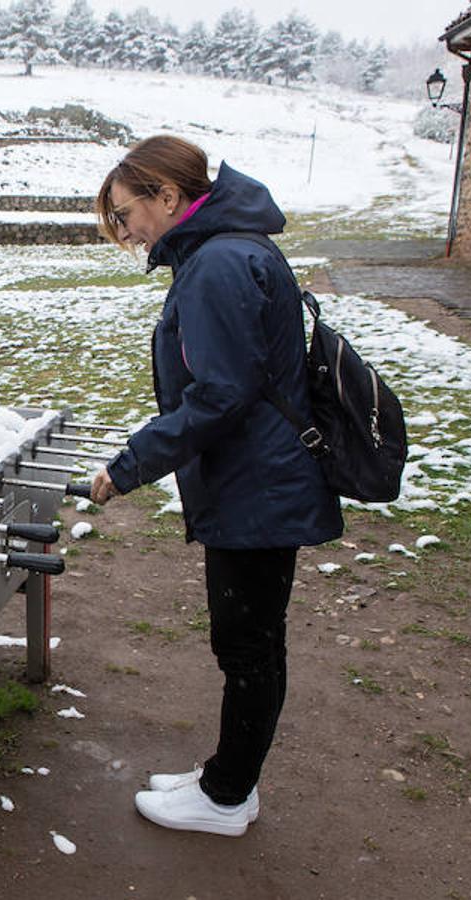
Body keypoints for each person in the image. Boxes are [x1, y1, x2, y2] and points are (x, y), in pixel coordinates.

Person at [89, 136, 342, 836]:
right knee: (254, 642)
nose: (125, 230)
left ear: (168, 197)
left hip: (258, 486)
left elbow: (219, 396)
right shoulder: (228, 250)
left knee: (248, 646)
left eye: (125, 212)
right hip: (260, 478)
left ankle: (226, 797)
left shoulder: (219, 264)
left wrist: (130, 463)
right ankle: (231, 778)